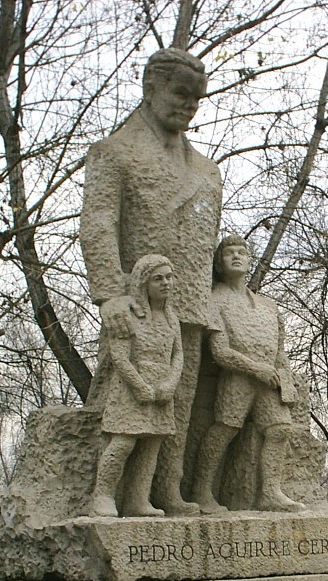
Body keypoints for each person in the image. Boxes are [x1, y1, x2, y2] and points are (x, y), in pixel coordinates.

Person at [80, 47, 223, 516]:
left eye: (197, 98)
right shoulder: (114, 153)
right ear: (150, 88)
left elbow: (209, 244)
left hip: (192, 303)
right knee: (126, 407)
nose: (189, 106)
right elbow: (99, 222)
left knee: (177, 409)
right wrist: (109, 295)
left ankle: (166, 489)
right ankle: (112, 493)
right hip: (137, 306)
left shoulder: (207, 170)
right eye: (180, 94)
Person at [191, 234, 305, 514]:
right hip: (238, 378)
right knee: (225, 429)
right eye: (230, 252)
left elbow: (279, 349)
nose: (236, 256)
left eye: (242, 252)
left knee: (280, 430)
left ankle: (270, 493)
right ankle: (202, 490)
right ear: (219, 262)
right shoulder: (214, 300)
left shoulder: (268, 305)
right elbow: (219, 352)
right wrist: (256, 369)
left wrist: (285, 382)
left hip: (271, 380)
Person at [90, 254, 182, 518]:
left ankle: (138, 500)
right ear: (144, 283)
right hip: (131, 390)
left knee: (151, 447)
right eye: (158, 278)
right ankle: (103, 495)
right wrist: (139, 385)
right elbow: (119, 356)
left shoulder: (171, 317)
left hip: (162, 389)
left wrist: (171, 383)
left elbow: (178, 355)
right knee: (123, 444)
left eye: (169, 277)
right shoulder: (128, 315)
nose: (165, 283)